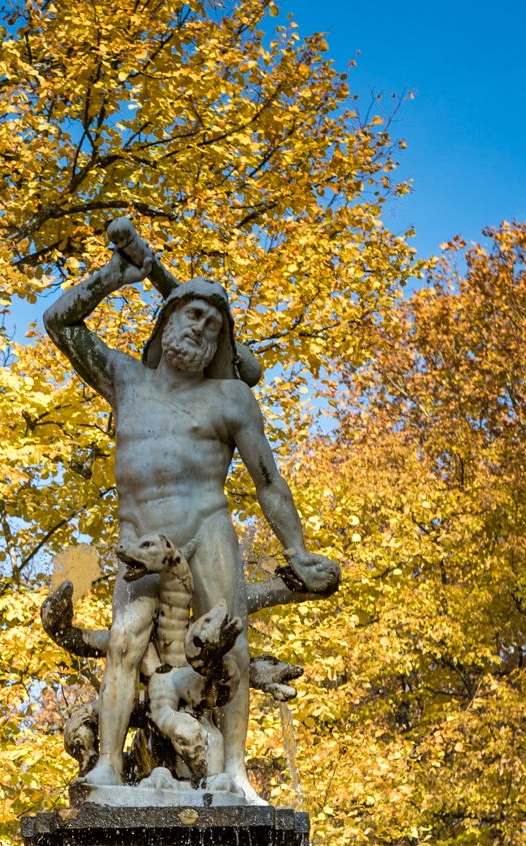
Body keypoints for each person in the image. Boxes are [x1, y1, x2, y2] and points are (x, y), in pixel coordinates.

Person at [42, 239, 339, 803]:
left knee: (234, 646)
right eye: (191, 314)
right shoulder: (125, 381)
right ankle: (106, 767)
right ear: (167, 321)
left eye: (213, 323)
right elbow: (58, 323)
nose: (201, 328)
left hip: (207, 530)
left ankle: (233, 773)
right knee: (125, 643)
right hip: (140, 540)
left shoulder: (230, 399)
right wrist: (114, 275)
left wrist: (296, 550)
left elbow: (268, 482)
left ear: (222, 342)